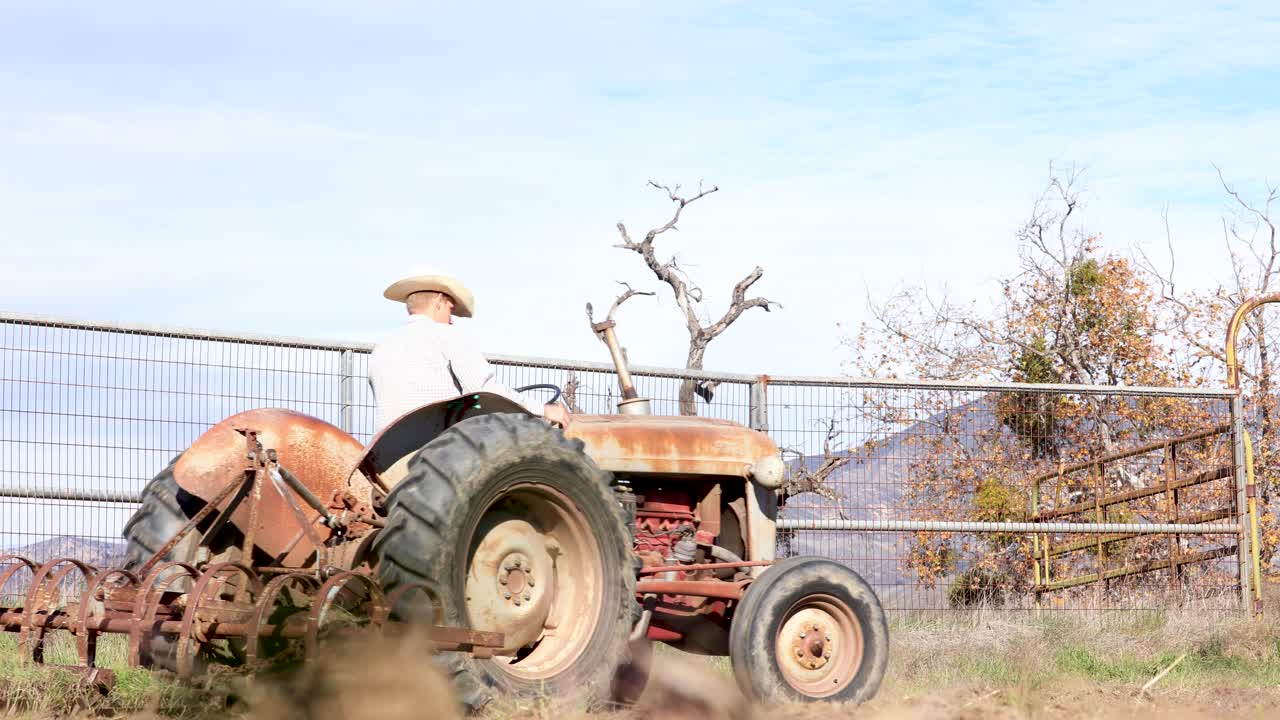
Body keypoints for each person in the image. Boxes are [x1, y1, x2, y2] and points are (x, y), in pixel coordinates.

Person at [367, 272, 570, 432]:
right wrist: (543, 409)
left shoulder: (382, 347)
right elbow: (487, 389)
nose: (451, 319)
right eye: (450, 309)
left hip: (387, 449)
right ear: (438, 301)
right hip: (437, 443)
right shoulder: (446, 335)